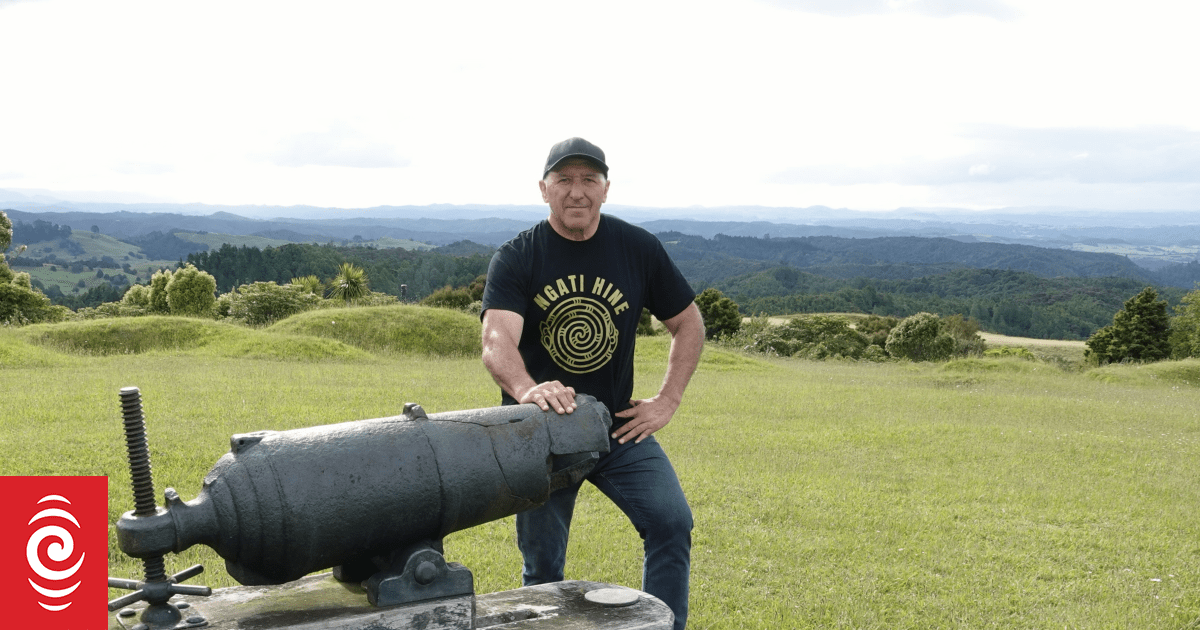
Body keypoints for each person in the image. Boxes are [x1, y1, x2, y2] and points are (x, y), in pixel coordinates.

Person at [480, 137, 705, 629]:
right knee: (542, 565)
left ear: (606, 189)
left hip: (615, 426)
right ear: (544, 190)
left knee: (671, 523)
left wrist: (668, 399)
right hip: (541, 433)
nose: (576, 192)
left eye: (588, 180)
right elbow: (497, 339)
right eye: (564, 180)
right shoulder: (518, 256)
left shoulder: (637, 249)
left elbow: (688, 322)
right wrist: (527, 389)